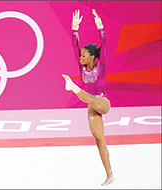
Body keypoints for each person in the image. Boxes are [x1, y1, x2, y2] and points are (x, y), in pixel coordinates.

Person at [62, 9, 115, 186]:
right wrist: (74, 29)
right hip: (91, 104)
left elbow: (105, 45)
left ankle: (73, 88)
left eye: (84, 56)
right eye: (81, 55)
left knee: (92, 99)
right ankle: (109, 175)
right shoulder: (82, 66)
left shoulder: (101, 63)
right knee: (99, 139)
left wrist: (101, 27)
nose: (80, 58)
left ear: (92, 57)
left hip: (102, 102)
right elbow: (74, 46)